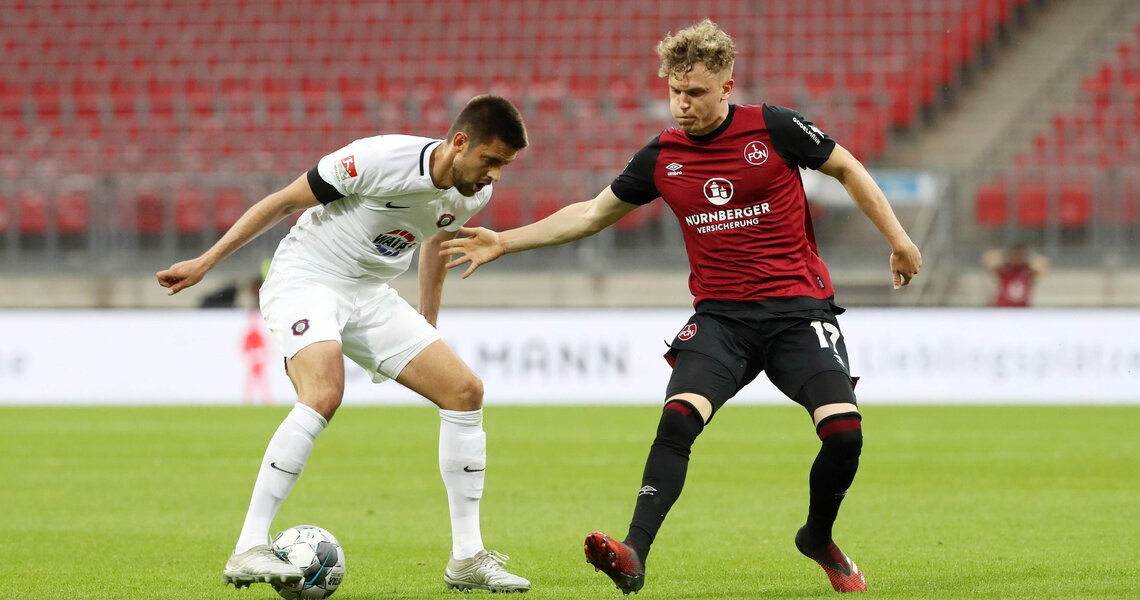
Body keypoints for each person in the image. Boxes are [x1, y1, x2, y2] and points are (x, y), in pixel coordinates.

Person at [441, 20, 921, 595]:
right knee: (677, 421)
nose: (682, 104)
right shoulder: (663, 155)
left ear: (727, 87)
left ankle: (818, 537)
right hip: (722, 320)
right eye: (675, 91)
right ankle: (633, 552)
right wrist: (504, 240)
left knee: (844, 435)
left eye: (695, 92)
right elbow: (590, 214)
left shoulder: (773, 126)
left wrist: (899, 239)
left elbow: (846, 167)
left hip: (799, 312)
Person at [157, 95, 532, 593]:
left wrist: (427, 324)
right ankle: (248, 547)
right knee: (324, 393)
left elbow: (437, 243)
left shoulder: (471, 193)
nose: (495, 176)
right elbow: (284, 201)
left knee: (464, 392)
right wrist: (206, 262)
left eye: (504, 165)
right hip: (307, 276)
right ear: (459, 142)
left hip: (369, 294)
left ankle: (467, 557)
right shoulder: (379, 159)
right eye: (491, 160)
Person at [983, 242, 1049, 307]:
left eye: (1020, 255)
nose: (1017, 258)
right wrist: (1001, 253)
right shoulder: (1003, 268)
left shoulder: (1029, 270)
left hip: (1022, 307)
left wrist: (1033, 257)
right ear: (1009, 255)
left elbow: (1043, 264)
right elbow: (989, 260)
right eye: (1015, 255)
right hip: (1003, 307)